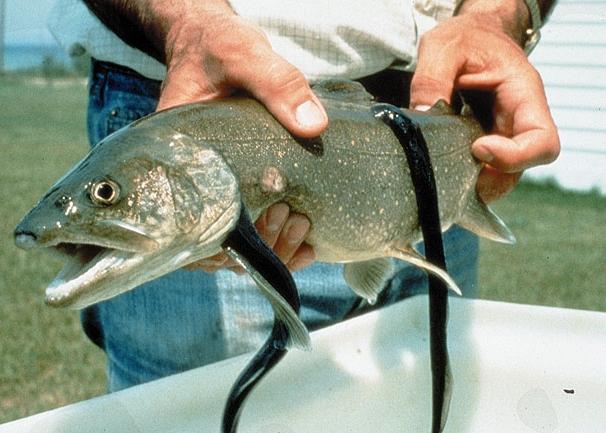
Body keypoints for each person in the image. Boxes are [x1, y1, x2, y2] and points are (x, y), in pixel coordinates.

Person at [48, 0, 559, 391]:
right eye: (107, 194)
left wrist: (502, 16)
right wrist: (186, 24)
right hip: (193, 92)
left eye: (106, 194)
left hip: (437, 121)